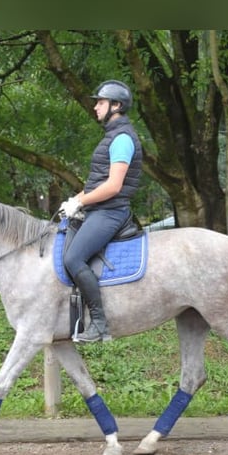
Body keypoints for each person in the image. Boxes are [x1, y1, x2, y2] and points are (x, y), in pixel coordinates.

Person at [59, 79, 143, 343]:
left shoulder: (122, 139)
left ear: (116, 106)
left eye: (100, 102)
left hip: (111, 211)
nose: (95, 107)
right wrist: (74, 199)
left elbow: (113, 186)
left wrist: (81, 203)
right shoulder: (111, 137)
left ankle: (99, 323)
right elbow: (97, 183)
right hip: (100, 208)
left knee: (73, 259)